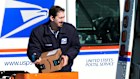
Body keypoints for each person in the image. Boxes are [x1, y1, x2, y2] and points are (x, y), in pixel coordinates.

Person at [27, 5, 81, 72]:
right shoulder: (38, 32)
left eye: (63, 17)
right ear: (52, 18)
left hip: (65, 71)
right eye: (60, 18)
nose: (62, 20)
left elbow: (75, 46)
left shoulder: (70, 30)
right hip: (46, 71)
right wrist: (36, 57)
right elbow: (33, 49)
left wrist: (68, 56)